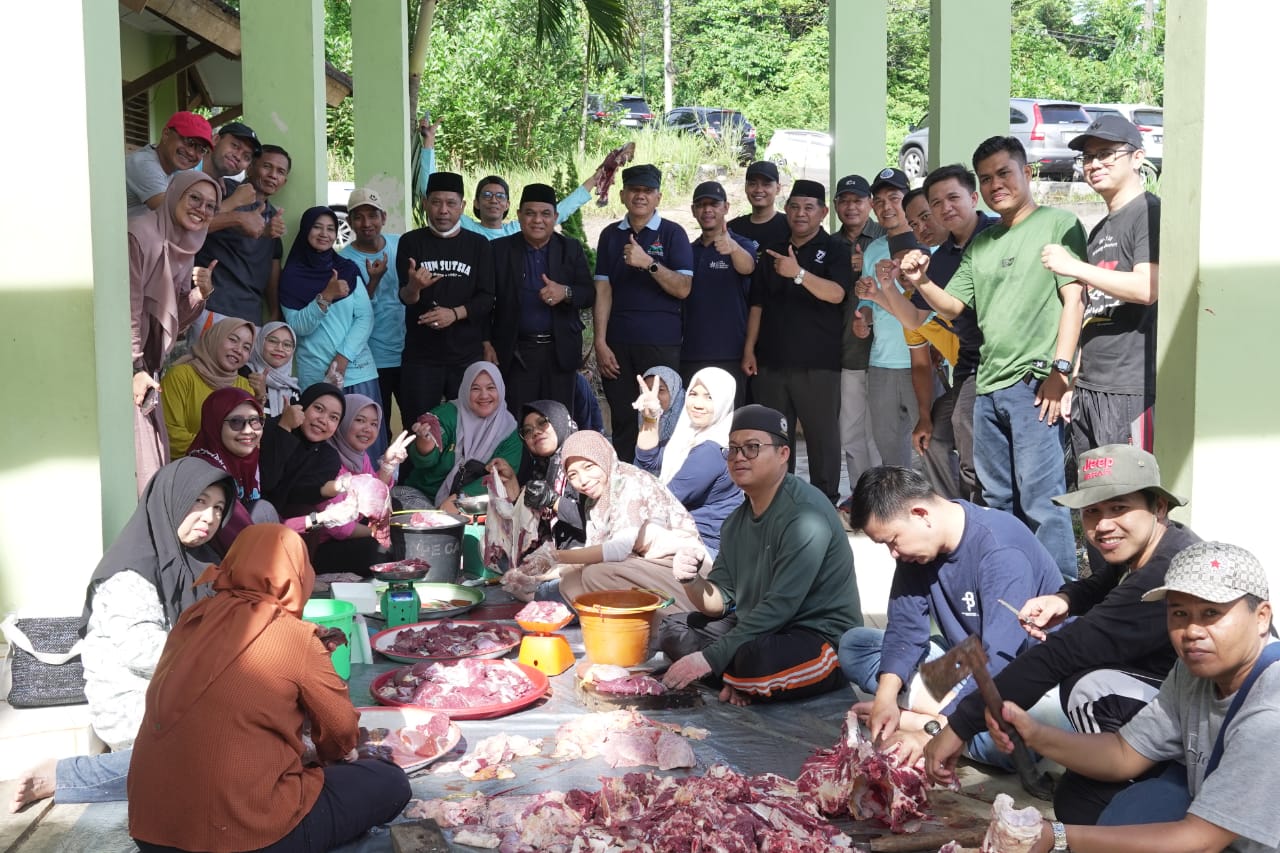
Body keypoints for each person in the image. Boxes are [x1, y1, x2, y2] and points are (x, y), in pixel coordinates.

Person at [924, 444, 1203, 824]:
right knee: (1072, 796)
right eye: (1092, 511)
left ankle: (1150, 781)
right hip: (1165, 704)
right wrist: (1066, 599)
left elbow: (1060, 653)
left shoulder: (1167, 572)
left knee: (1085, 686)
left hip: (1206, 729)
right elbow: (1104, 582)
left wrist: (958, 724)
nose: (1103, 525)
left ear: (1158, 507)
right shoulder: (1161, 544)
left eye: (1119, 508)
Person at [972, 542, 1280, 853]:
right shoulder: (1193, 672)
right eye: (1179, 613)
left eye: (1211, 613)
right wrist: (1033, 734)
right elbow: (1124, 754)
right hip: (1218, 827)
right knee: (1081, 797)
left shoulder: (1270, 712)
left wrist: (1057, 837)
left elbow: (1200, 842)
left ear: (1261, 618)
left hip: (1229, 840)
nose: (1191, 631)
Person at [127, 525, 411, 852]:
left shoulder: (192, 618)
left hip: (151, 832)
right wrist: (331, 753)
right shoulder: (293, 635)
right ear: (300, 575)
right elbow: (340, 733)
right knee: (388, 782)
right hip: (244, 835)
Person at [900, 136, 1086, 579]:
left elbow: (1074, 299)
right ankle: (1010, 582)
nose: (995, 184)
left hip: (1034, 385)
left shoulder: (1058, 224)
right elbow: (953, 308)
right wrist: (921, 280)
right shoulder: (984, 243)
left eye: (1004, 173)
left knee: (1043, 501)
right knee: (995, 498)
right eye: (986, 178)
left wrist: (1061, 372)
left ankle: (1061, 597)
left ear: (1027, 172)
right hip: (987, 387)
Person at [8, 458, 235, 813]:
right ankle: (67, 776)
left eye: (219, 507)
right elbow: (142, 652)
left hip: (185, 686)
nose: (209, 517)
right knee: (221, 757)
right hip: (135, 699)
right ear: (170, 500)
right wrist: (225, 656)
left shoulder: (201, 561)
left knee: (255, 733)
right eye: (199, 501)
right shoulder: (129, 571)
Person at [837, 466, 1063, 767]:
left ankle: (926, 721)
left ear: (920, 514)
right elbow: (904, 629)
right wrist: (886, 699)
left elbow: (1000, 660)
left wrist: (930, 733)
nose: (892, 553)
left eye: (892, 541)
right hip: (965, 660)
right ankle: (939, 716)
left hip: (1024, 674)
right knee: (855, 645)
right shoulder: (916, 551)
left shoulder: (999, 550)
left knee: (1010, 743)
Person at [660, 405, 863, 706]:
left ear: (784, 455)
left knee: (753, 661)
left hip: (817, 638)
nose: (739, 457)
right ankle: (742, 682)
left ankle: (742, 678)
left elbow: (780, 606)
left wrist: (710, 659)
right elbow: (720, 602)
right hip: (759, 628)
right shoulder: (735, 522)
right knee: (673, 629)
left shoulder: (805, 516)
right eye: (733, 449)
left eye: (752, 448)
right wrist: (691, 580)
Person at [1048, 114, 1161, 457]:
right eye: (1088, 157)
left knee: (1130, 495)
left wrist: (1074, 266)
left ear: (1138, 157)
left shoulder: (1149, 212)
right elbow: (1091, 312)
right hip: (1091, 387)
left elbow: (1148, 288)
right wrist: (1072, 381)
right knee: (1095, 497)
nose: (1094, 164)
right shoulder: (1100, 229)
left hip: (1131, 389)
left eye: (1106, 153)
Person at [743, 179, 852, 503]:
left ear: (822, 212)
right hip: (772, 362)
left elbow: (837, 294)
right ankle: (779, 500)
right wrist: (749, 348)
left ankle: (824, 501)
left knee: (822, 438)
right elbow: (757, 304)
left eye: (808, 208)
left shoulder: (835, 249)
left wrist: (799, 274)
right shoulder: (773, 249)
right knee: (775, 437)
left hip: (818, 364)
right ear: (785, 209)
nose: (800, 214)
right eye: (794, 207)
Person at [592, 163, 694, 462]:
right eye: (634, 190)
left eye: (648, 191)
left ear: (658, 197)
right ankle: (625, 486)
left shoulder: (673, 234)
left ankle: (665, 487)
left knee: (662, 417)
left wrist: (648, 262)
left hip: (661, 345)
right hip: (618, 345)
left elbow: (684, 288)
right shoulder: (610, 235)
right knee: (624, 420)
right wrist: (600, 342)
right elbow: (603, 291)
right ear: (622, 195)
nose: (640, 196)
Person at [129, 171, 222, 494]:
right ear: (173, 194)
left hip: (149, 368)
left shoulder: (186, 243)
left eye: (211, 205)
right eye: (194, 198)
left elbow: (176, 322)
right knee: (143, 469)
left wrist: (200, 293)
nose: (201, 209)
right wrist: (135, 368)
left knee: (153, 464)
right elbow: (129, 305)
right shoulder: (141, 234)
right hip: (130, 368)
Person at [547, 430, 706, 612]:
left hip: (683, 567)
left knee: (597, 574)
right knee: (570, 578)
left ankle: (669, 626)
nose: (582, 480)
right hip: (642, 566)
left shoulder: (629, 481)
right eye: (573, 475)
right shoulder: (595, 500)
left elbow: (618, 549)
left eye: (589, 467)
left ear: (603, 458)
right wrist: (535, 573)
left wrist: (556, 556)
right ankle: (605, 630)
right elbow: (590, 553)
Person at [280, 206, 385, 465]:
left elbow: (365, 317)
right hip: (316, 375)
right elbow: (297, 327)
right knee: (323, 449)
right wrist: (325, 296)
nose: (324, 234)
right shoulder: (292, 276)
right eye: (317, 227)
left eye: (330, 229)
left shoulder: (346, 269)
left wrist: (343, 357)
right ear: (305, 231)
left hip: (358, 372)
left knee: (365, 443)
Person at [396, 170, 496, 424]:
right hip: (421, 357)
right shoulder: (410, 242)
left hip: (465, 356)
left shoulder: (478, 245)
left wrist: (454, 314)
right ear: (425, 204)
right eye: (436, 202)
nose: (443, 210)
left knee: (469, 427)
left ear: (462, 206)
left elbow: (487, 298)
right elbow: (405, 298)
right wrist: (415, 287)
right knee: (418, 429)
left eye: (451, 203)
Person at [489, 183, 595, 416]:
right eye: (530, 213)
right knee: (517, 421)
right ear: (519, 215)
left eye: (545, 214)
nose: (538, 220)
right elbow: (484, 299)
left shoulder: (570, 248)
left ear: (555, 217)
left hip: (559, 353)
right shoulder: (499, 250)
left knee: (557, 421)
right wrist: (486, 343)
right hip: (515, 354)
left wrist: (565, 292)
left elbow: (589, 294)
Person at [415, 118, 599, 239]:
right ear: (476, 203)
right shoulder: (465, 227)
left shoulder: (517, 231)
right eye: (487, 195)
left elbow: (561, 210)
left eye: (500, 196)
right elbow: (431, 190)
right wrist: (429, 142)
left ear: (508, 205)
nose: (493, 200)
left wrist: (595, 179)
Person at [634, 367, 742, 558]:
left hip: (705, 548)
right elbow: (648, 461)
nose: (698, 404)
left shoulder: (712, 450)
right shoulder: (688, 437)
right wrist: (650, 419)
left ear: (724, 402)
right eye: (693, 394)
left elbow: (666, 499)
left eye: (709, 397)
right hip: (681, 535)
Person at [400, 360, 522, 514]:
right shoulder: (446, 414)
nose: (484, 395)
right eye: (475, 388)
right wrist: (426, 444)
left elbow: (503, 479)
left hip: (473, 505)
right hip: (424, 497)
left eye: (491, 388)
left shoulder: (509, 430)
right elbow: (423, 462)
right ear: (464, 390)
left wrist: (460, 500)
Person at [856, 168, 918, 469]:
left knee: (934, 450)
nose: (886, 207)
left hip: (923, 361)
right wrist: (864, 316)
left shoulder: (929, 244)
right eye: (878, 201)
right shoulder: (875, 249)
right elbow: (866, 299)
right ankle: (900, 512)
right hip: (882, 362)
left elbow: (925, 312)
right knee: (891, 454)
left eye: (894, 198)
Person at [831, 173, 885, 519]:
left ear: (870, 204)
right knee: (850, 429)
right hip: (847, 350)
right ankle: (858, 494)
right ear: (836, 206)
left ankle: (882, 495)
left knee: (879, 433)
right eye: (845, 201)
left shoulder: (885, 237)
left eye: (858, 200)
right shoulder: (830, 243)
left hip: (886, 354)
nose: (851, 207)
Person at [485, 401, 587, 583]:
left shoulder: (582, 460)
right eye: (528, 431)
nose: (536, 432)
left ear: (559, 422)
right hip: (557, 555)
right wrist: (511, 481)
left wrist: (554, 501)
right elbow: (529, 525)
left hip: (587, 557)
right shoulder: (541, 469)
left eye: (542, 423)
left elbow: (594, 521)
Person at [310, 395, 413, 574]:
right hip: (322, 545)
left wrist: (388, 465)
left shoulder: (358, 456)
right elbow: (340, 529)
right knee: (378, 552)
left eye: (374, 424)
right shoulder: (326, 460)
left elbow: (374, 501)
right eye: (359, 420)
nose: (368, 429)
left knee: (395, 507)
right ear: (343, 421)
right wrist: (381, 532)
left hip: (351, 528)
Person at [195, 142, 290, 330]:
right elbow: (193, 226)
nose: (273, 175)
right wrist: (237, 216)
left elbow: (272, 266)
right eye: (267, 166)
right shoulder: (222, 191)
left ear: (284, 181)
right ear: (250, 168)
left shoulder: (274, 217)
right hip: (213, 306)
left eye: (280, 172)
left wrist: (274, 312)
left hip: (250, 317)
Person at [680, 180, 757, 406]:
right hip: (691, 354)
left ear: (726, 207)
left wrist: (732, 248)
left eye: (713, 204)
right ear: (693, 211)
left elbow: (748, 266)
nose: (707, 210)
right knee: (697, 425)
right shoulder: (687, 250)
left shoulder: (741, 244)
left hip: (731, 354)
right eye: (701, 205)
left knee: (732, 426)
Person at [338, 187, 404, 444]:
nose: (367, 223)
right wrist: (373, 281)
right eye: (358, 217)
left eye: (373, 215)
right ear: (350, 222)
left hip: (409, 353)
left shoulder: (401, 244)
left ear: (384, 217)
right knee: (377, 426)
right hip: (372, 359)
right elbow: (351, 313)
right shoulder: (344, 260)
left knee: (416, 419)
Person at [188, 387, 280, 551]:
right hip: (208, 559)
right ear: (214, 423)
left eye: (255, 421)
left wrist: (315, 520)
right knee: (262, 511)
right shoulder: (206, 470)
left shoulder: (245, 461)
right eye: (236, 422)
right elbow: (242, 530)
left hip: (240, 550)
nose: (248, 431)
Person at [258, 383, 355, 529]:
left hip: (288, 524)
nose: (323, 420)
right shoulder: (270, 428)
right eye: (318, 409)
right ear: (302, 405)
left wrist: (334, 488)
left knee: (312, 518)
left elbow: (299, 494)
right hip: (252, 511)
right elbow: (266, 483)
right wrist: (284, 429)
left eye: (333, 417)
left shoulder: (328, 456)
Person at [160, 317, 258, 458]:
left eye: (246, 347)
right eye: (233, 340)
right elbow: (171, 435)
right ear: (215, 338)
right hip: (186, 471)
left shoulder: (244, 387)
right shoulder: (181, 376)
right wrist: (223, 449)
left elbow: (252, 438)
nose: (238, 350)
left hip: (230, 474)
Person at [125, 110, 212, 217]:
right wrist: (234, 209)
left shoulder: (177, 168)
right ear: (166, 134)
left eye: (201, 149)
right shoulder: (144, 164)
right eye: (189, 142)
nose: (191, 152)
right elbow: (176, 217)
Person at [728, 160, 790, 250]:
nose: (759, 190)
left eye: (766, 184)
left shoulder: (790, 226)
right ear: (745, 187)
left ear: (778, 188)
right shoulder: (733, 228)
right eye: (752, 184)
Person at [247, 320, 301, 417]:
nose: (279, 348)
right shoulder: (246, 375)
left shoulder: (293, 389)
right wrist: (260, 397)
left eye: (287, 344)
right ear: (260, 342)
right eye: (272, 341)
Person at [638, 365, 684, 451]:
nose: (653, 396)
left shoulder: (690, 422)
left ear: (674, 390)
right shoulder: (643, 414)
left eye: (661, 390)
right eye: (648, 390)